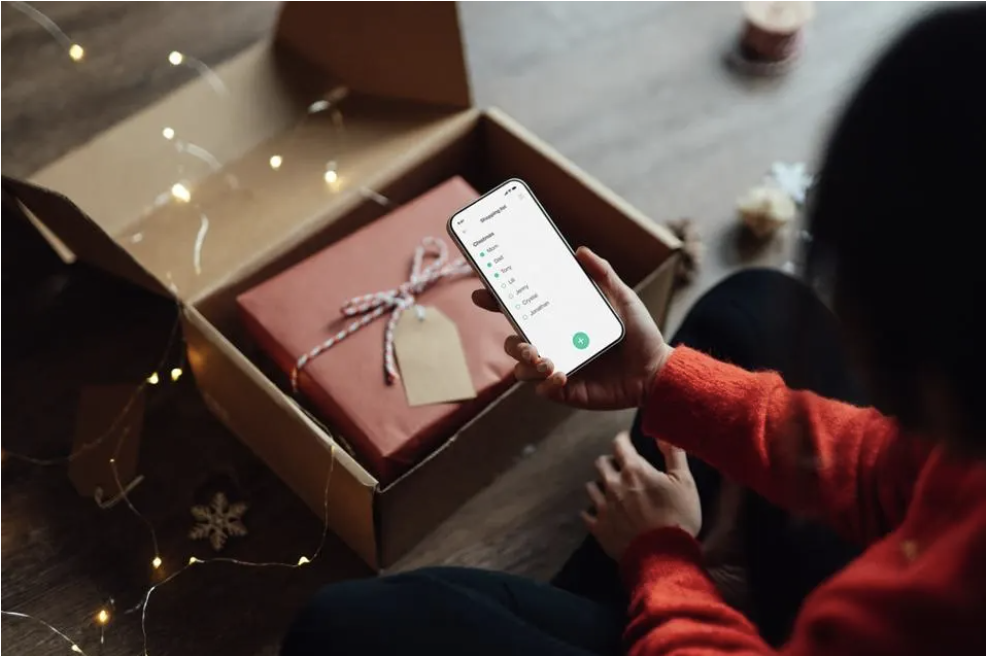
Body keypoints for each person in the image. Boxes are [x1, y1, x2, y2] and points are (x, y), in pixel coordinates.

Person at [282, 7, 986, 655]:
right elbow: (896, 469)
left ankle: (653, 612)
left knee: (339, 629)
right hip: (851, 561)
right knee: (753, 305)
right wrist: (661, 375)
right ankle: (668, 605)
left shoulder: (917, 616)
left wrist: (662, 554)